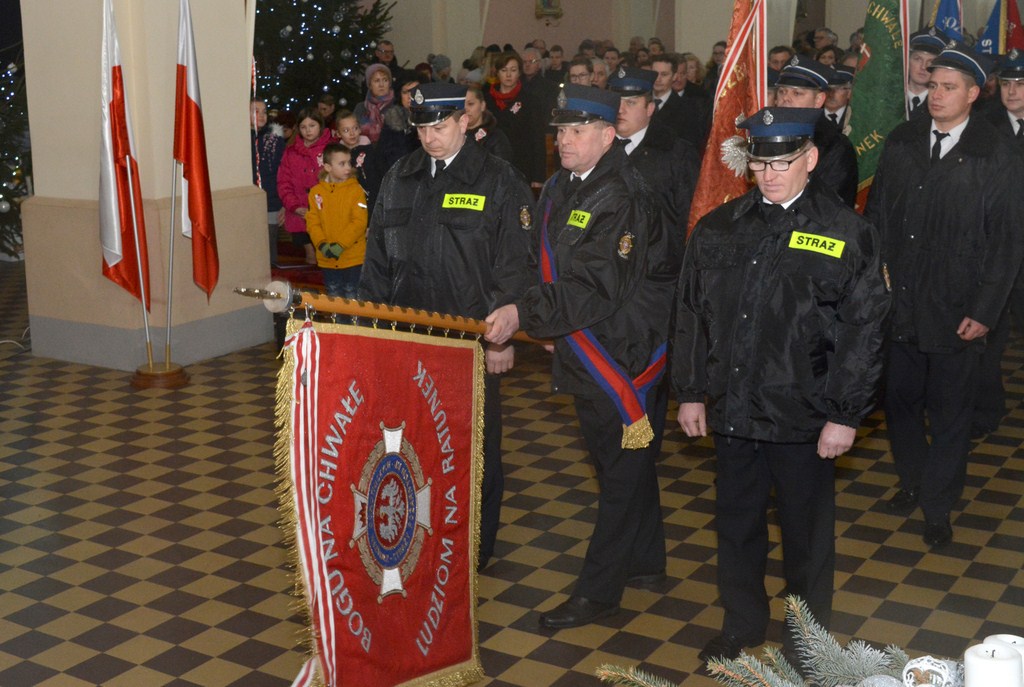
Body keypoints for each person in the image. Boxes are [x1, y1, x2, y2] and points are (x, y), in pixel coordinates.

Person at [675, 106, 889, 665]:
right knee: (737, 529)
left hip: (805, 416)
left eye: (784, 161)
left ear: (812, 160)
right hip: (733, 411)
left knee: (806, 539)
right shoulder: (719, 227)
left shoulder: (847, 232)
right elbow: (691, 316)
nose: (769, 173)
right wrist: (691, 390)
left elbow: (863, 333)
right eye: (759, 161)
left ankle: (808, 641)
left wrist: (846, 415)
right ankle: (742, 624)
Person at [484, 84, 675, 629]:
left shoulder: (622, 194)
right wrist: (535, 311)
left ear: (607, 135)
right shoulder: (566, 186)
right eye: (560, 132)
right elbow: (539, 261)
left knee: (617, 475)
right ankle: (646, 560)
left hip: (622, 351)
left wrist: (527, 314)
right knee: (621, 464)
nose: (563, 142)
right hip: (585, 341)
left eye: (576, 132)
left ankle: (598, 594)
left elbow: (595, 284)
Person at [359, 82, 535, 573]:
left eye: (440, 126)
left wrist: (500, 336)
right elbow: (377, 260)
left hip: (470, 341)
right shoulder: (401, 175)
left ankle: (474, 549)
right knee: (414, 442)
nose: (431, 138)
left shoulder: (498, 180)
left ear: (464, 121)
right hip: (408, 335)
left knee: (474, 447)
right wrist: (370, 327)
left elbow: (515, 264)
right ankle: (425, 536)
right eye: (422, 128)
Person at [865, 43, 1024, 548]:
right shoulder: (903, 139)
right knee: (902, 401)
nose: (936, 95)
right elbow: (878, 220)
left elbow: (1007, 241)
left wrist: (985, 310)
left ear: (975, 94)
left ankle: (938, 504)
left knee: (951, 411)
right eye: (932, 85)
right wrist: (874, 287)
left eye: (948, 87)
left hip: (958, 309)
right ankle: (912, 480)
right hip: (901, 301)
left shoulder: (994, 152)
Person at [610, 66, 699, 265]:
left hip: (657, 267)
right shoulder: (597, 148)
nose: (620, 110)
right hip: (605, 266)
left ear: (650, 108)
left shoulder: (676, 152)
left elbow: (688, 215)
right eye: (616, 102)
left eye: (631, 103)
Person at [774, 56, 858, 207]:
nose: (786, 99)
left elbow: (828, 205)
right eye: (782, 92)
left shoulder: (834, 145)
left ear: (819, 100)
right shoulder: (768, 135)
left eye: (797, 93)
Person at [305, 143, 368, 298]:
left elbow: (359, 222)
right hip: (327, 258)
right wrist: (321, 244)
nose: (348, 167)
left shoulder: (356, 190)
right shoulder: (316, 192)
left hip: (353, 257)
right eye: (342, 164)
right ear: (327, 167)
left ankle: (354, 323)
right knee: (333, 297)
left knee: (352, 296)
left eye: (349, 162)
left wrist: (341, 245)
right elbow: (313, 222)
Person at [277, 108, 333, 265]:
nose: (308, 130)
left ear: (320, 126)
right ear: (298, 129)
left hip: (325, 210)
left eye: (312, 125)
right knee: (310, 255)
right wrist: (293, 206)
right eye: (303, 127)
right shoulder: (291, 152)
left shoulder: (330, 149)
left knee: (328, 255)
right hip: (300, 210)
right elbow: (284, 182)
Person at [487, 51, 549, 187]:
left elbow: (538, 139)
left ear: (519, 72)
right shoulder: (486, 99)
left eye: (513, 70)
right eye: (504, 70)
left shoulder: (530, 100)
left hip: (522, 165)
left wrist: (538, 177)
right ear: (497, 72)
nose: (508, 75)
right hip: (491, 167)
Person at [250, 98, 286, 266]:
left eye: (264, 111)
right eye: (256, 111)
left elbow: (282, 171)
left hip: (271, 200)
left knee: (269, 245)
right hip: (249, 200)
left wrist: (283, 202)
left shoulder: (274, 140)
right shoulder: (241, 140)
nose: (262, 115)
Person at [649, 53, 709, 151]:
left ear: (674, 76)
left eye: (664, 74)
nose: (658, 79)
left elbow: (690, 146)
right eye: (654, 74)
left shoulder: (688, 109)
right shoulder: (640, 103)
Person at [906, 28, 948, 120]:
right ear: (907, 61)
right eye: (918, 59)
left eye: (931, 61)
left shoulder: (944, 104)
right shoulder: (890, 97)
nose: (923, 67)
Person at [465, 84, 513, 162]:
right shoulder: (452, 135)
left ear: (482, 105)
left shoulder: (496, 137)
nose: (465, 109)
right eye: (461, 105)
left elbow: (502, 171)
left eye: (470, 104)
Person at [354, 63, 395, 144]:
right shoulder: (361, 107)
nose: (381, 85)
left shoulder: (396, 106)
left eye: (385, 80)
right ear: (369, 85)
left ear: (389, 83)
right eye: (377, 81)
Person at [823, 65, 854, 134]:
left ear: (849, 93)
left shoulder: (857, 120)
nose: (831, 94)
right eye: (828, 89)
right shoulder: (811, 118)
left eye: (838, 88)